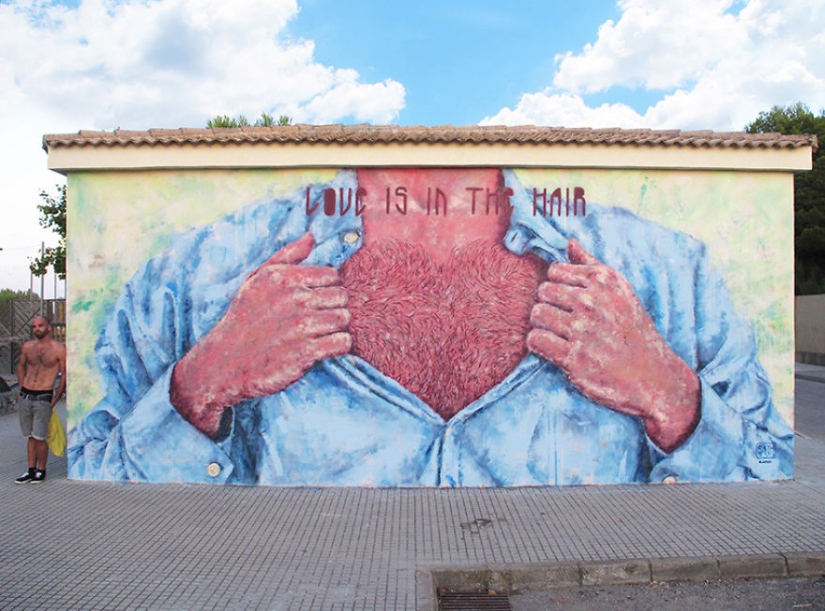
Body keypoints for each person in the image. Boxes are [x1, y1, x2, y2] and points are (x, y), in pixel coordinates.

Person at [68, 168, 793, 486]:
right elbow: (90, 475)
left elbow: (774, 467)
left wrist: (671, 396)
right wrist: (199, 388)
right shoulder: (196, 276)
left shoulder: (666, 272)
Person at [16, 315, 67, 484]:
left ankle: (41, 469)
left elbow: (64, 374)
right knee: (30, 435)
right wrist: (21, 387)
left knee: (40, 436)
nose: (37, 329)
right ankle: (30, 469)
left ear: (48, 327)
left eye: (40, 325)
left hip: (43, 396)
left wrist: (56, 397)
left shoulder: (58, 349)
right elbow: (21, 365)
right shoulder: (28, 347)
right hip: (26, 394)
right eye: (35, 326)